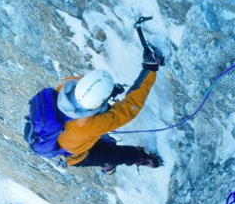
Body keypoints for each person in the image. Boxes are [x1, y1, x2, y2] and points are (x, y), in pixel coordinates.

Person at [55, 46, 164, 174]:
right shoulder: (89, 125)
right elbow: (129, 108)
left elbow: (91, 87)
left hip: (65, 137)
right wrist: (150, 69)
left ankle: (106, 160)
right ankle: (134, 159)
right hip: (77, 155)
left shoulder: (65, 88)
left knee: (102, 140)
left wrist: (108, 93)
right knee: (124, 154)